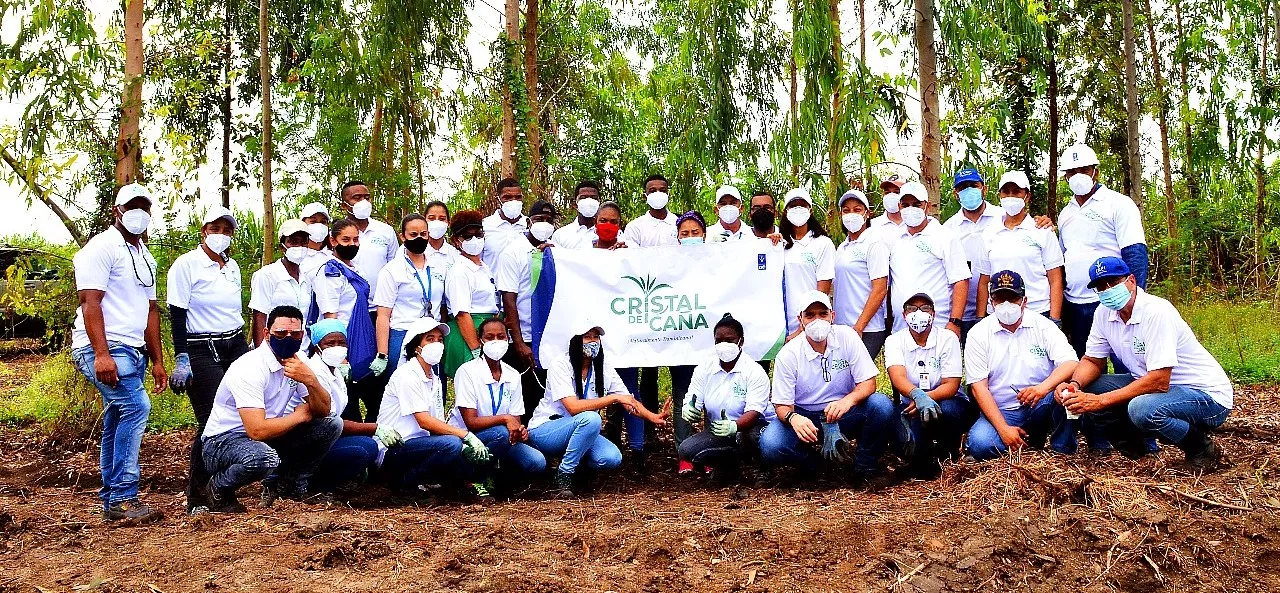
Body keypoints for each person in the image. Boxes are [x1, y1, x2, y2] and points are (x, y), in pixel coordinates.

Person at [1055, 257, 1232, 469]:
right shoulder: (1104, 313)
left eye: (1113, 282)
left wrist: (1100, 401)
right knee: (1089, 387)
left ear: (1131, 280)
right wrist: (1075, 385)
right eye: (1101, 287)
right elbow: (1092, 359)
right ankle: (1139, 455)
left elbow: (1159, 381)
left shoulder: (1157, 312)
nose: (1108, 290)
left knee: (1142, 409)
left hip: (1205, 396)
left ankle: (1202, 448)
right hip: (1159, 389)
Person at [70, 182, 168, 523]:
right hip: (105, 347)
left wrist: (157, 360)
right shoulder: (100, 248)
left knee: (118, 415)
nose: (139, 213)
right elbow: (89, 301)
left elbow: (150, 310)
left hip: (134, 349)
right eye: (132, 206)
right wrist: (101, 354)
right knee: (136, 407)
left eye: (144, 207)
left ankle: (113, 499)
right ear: (117, 211)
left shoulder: (146, 256)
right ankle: (124, 498)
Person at [200, 305, 342, 511]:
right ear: (267, 334)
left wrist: (311, 381)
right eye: (281, 333)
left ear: (302, 335)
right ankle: (218, 487)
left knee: (331, 424)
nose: (288, 338)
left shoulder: (298, 360)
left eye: (294, 334)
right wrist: (299, 417)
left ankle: (291, 486)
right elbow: (256, 430)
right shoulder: (249, 368)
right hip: (224, 441)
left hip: (270, 434)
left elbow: (323, 410)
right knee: (265, 458)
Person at [167, 206, 250, 515]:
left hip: (233, 341)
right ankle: (199, 495)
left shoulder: (233, 267)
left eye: (227, 231)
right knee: (212, 420)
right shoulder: (186, 265)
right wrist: (181, 357)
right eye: (216, 229)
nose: (221, 235)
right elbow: (177, 314)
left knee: (244, 413)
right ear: (204, 230)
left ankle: (224, 486)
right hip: (201, 347)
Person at [760, 291, 892, 484]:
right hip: (807, 418)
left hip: (844, 413)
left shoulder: (848, 337)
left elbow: (868, 382)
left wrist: (847, 401)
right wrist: (794, 418)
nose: (817, 320)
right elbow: (781, 406)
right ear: (800, 319)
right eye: (810, 315)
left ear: (833, 315)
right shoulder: (788, 354)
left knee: (881, 405)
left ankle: (865, 466)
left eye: (823, 314)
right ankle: (816, 466)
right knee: (771, 443)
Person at [527, 322, 666, 497]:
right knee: (591, 419)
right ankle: (564, 475)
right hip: (546, 429)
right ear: (576, 341)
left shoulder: (604, 367)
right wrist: (612, 398)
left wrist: (653, 417)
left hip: (581, 430)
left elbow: (627, 400)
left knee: (611, 458)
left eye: (596, 337)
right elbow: (573, 407)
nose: (593, 342)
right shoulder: (560, 364)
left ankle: (578, 469)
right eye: (587, 337)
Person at [965, 271, 1079, 461]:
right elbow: (979, 388)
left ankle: (1062, 452)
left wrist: (1042, 389)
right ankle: (1024, 443)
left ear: (1024, 301)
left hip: (1042, 402)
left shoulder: (1043, 326)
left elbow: (1070, 362)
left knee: (1066, 393)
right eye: (1000, 299)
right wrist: (1003, 429)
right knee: (980, 444)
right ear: (991, 303)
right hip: (1002, 410)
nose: (1006, 305)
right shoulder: (978, 334)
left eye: (1013, 298)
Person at [377, 318, 492, 497]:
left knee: (459, 450)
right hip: (396, 447)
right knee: (452, 444)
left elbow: (437, 424)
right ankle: (405, 484)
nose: (437, 344)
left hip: (422, 445)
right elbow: (424, 421)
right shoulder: (407, 375)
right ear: (416, 347)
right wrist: (466, 436)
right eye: (430, 339)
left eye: (439, 340)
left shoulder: (434, 378)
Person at [1057, 144, 1148, 360]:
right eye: (1072, 172)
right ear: (1065, 177)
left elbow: (1135, 254)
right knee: (1085, 364)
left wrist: (1133, 300)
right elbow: (1063, 261)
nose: (1078, 176)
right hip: (1076, 305)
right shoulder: (1065, 214)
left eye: (1084, 170)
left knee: (1126, 363)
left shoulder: (1118, 204)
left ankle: (1129, 396)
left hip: (1112, 300)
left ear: (1095, 172)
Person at [448, 318, 547, 496]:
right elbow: (471, 422)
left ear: (508, 339)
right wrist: (505, 419)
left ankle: (497, 476)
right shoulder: (467, 371)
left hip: (503, 438)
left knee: (536, 462)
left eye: (501, 337)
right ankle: (473, 479)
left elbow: (515, 418)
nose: (495, 341)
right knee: (500, 433)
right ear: (481, 340)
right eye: (490, 337)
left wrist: (519, 430)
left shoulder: (513, 374)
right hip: (469, 438)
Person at [883, 292, 975, 478]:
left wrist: (926, 398)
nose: (919, 313)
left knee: (950, 411)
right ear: (904, 315)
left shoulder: (948, 338)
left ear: (933, 314)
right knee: (906, 442)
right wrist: (917, 396)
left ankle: (948, 453)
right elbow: (897, 376)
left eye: (925, 308)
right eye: (912, 309)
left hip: (947, 401)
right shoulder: (894, 341)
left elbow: (952, 383)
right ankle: (922, 460)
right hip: (910, 405)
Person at [678, 314, 773, 484]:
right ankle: (727, 467)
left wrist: (735, 426)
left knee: (748, 437)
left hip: (754, 428)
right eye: (718, 341)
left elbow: (754, 412)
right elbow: (694, 398)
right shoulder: (704, 369)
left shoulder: (754, 371)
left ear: (740, 342)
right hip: (720, 430)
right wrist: (689, 409)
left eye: (729, 340)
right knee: (687, 449)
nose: (724, 345)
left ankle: (763, 468)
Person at [305, 319, 394, 498]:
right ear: (317, 347)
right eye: (330, 343)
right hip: (312, 440)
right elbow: (329, 421)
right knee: (363, 450)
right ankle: (316, 483)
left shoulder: (335, 370)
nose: (337, 347)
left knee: (366, 445)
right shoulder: (314, 372)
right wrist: (375, 428)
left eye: (341, 343)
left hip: (328, 437)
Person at [974, 171, 1065, 326]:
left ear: (1027, 196)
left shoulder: (1042, 231)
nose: (1011, 196)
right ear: (999, 196)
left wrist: (1054, 320)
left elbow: (1055, 280)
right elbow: (984, 282)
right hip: (998, 313)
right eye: (1006, 192)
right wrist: (980, 319)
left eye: (1016, 192)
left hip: (1036, 312)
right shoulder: (989, 233)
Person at [497, 200, 559, 419]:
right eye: (539, 220)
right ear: (528, 221)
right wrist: (520, 342)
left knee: (545, 391)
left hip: (549, 335)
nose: (544, 224)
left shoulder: (556, 252)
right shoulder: (513, 252)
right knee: (522, 393)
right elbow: (509, 299)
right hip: (522, 337)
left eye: (549, 220)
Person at [313, 219, 379, 420]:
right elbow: (329, 315)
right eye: (346, 239)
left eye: (356, 239)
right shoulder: (330, 272)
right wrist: (340, 356)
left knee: (375, 398)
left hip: (362, 340)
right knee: (348, 404)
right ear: (333, 241)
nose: (352, 244)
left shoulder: (356, 268)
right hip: (342, 341)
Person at [373, 214, 447, 390]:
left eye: (423, 233)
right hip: (404, 335)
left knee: (434, 387)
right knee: (404, 389)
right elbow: (383, 315)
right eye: (413, 234)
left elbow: (443, 304)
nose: (419, 238)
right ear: (402, 236)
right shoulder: (391, 270)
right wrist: (382, 354)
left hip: (432, 335)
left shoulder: (438, 267)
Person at [887, 182, 969, 336]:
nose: (911, 209)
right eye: (906, 204)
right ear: (899, 207)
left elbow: (961, 280)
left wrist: (955, 322)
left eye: (917, 204)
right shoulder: (893, 239)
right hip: (901, 330)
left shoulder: (945, 236)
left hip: (938, 328)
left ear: (928, 206)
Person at [943, 167, 1004, 343]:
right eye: (963, 188)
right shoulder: (948, 229)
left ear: (984, 188)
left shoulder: (1002, 217)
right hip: (960, 312)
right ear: (956, 193)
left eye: (973, 185)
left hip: (996, 308)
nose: (968, 191)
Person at [443, 209, 503, 378]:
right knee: (472, 384)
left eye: (478, 234)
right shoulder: (460, 271)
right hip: (469, 334)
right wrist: (476, 348)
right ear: (456, 240)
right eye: (467, 237)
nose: (474, 240)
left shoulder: (484, 267)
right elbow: (462, 314)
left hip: (488, 331)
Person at [833, 189, 890, 358]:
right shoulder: (843, 247)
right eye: (846, 210)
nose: (851, 215)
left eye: (857, 210)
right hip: (842, 327)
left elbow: (880, 288)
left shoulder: (874, 243)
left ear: (867, 213)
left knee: (861, 378)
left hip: (867, 329)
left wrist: (859, 326)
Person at [779, 187, 836, 339]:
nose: (798, 209)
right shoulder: (779, 244)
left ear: (810, 210)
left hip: (809, 325)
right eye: (793, 206)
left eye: (802, 205)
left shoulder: (823, 244)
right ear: (785, 211)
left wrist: (801, 329)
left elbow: (822, 292)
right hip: (780, 327)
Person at [248, 219, 313, 346]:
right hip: (275, 349)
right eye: (293, 242)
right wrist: (264, 354)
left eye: (303, 242)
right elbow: (260, 317)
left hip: (301, 350)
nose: (298, 246)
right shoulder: (266, 275)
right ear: (282, 246)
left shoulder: (306, 278)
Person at [338, 180, 399, 295]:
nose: (364, 202)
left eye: (367, 197)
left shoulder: (386, 231)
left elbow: (394, 267)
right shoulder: (337, 235)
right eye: (357, 198)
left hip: (381, 305)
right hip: (349, 305)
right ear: (344, 205)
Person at [482, 178, 529, 270]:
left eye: (518, 197)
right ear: (498, 200)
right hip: (494, 284)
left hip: (524, 284)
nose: (513, 201)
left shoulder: (530, 226)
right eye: (507, 197)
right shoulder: (485, 226)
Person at [622, 174, 679, 247]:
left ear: (668, 195)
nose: (658, 194)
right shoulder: (634, 227)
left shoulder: (679, 223)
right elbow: (632, 255)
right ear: (645, 197)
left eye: (662, 191)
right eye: (653, 191)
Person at [551, 180, 602, 249]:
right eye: (583, 198)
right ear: (574, 204)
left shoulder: (611, 234)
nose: (589, 201)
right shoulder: (560, 235)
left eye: (594, 198)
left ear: (599, 202)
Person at [422, 200, 459, 274]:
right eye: (431, 218)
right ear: (424, 221)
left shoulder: (455, 255)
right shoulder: (412, 251)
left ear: (448, 223)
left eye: (441, 219)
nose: (437, 222)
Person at [299, 202, 332, 279]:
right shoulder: (298, 256)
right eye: (313, 222)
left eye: (323, 222)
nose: (319, 226)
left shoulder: (334, 255)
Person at [869, 175, 906, 240]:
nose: (891, 195)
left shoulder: (916, 223)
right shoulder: (872, 225)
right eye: (887, 192)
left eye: (897, 192)